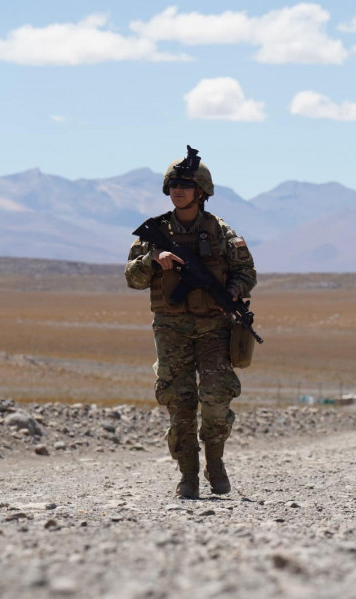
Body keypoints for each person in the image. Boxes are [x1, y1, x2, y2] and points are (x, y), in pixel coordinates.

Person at [125, 146, 257, 499]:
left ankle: (215, 462)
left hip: (214, 328)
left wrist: (232, 289)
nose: (178, 190)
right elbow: (132, 278)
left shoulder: (220, 232)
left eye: (185, 184)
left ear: (201, 191)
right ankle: (188, 476)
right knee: (179, 402)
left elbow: (247, 272)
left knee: (216, 399)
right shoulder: (155, 232)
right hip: (171, 328)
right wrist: (154, 259)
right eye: (173, 184)